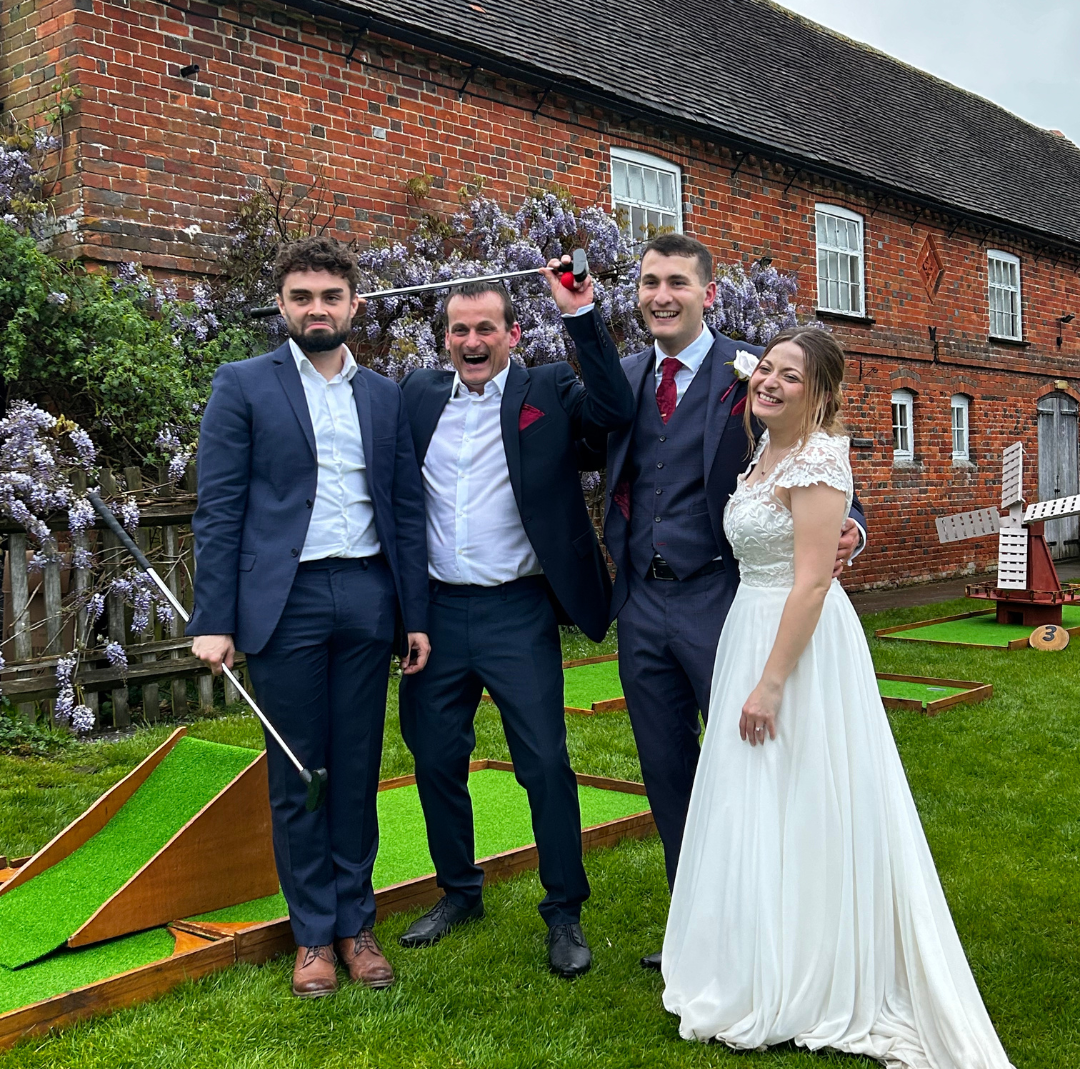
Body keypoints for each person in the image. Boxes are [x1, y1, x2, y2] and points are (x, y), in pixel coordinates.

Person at [661, 328, 1029, 1069]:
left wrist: (770, 683)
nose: (769, 382)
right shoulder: (762, 454)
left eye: (789, 376)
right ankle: (761, 951)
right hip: (749, 628)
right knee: (758, 796)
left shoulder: (822, 459)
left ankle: (815, 967)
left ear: (821, 392)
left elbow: (812, 581)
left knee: (808, 794)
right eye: (766, 368)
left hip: (797, 647)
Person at [559, 233, 866, 968]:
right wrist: (576, 318)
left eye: (676, 283)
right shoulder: (621, 374)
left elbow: (815, 446)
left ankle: (778, 927)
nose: (660, 296)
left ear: (709, 294)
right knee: (667, 772)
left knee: (752, 770)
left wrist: (854, 524)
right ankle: (696, 929)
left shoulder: (754, 374)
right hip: (643, 606)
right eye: (648, 282)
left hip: (725, 602)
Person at [188, 236, 430, 998]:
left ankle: (357, 925)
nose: (316, 310)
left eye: (330, 297)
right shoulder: (243, 385)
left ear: (354, 305)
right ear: (284, 306)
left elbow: (405, 509)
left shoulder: (385, 395)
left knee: (357, 769)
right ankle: (313, 937)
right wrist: (213, 617)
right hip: (282, 603)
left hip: (366, 596)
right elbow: (219, 509)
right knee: (301, 774)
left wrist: (413, 615)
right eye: (301, 297)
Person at [396, 263, 635, 977]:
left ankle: (564, 911)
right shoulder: (416, 395)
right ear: (445, 339)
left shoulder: (549, 390)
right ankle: (458, 891)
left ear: (512, 333)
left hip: (516, 609)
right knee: (436, 758)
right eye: (460, 330)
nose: (473, 341)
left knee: (545, 764)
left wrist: (583, 315)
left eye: (486, 329)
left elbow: (617, 412)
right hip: (436, 614)